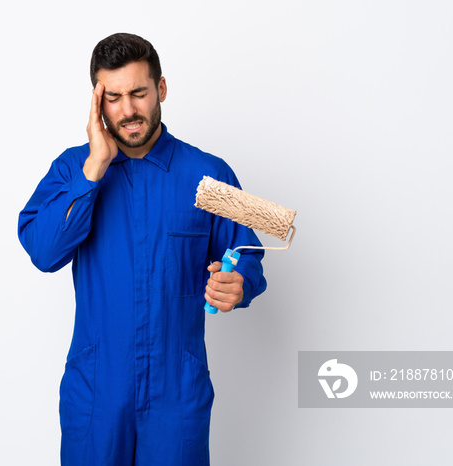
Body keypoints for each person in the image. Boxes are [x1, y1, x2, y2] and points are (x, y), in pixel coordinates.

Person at [18, 32, 267, 466]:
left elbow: (250, 252)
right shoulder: (71, 168)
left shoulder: (211, 172)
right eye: (113, 97)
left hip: (177, 392)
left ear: (162, 90)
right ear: (98, 102)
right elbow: (43, 251)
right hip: (97, 394)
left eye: (138, 93)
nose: (128, 110)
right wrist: (94, 167)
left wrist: (241, 283)